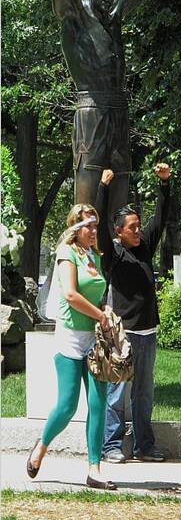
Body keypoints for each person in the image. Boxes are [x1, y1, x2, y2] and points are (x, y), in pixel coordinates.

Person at [51, 0, 181, 220]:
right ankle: (81, 255)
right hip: (91, 109)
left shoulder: (115, 10)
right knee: (86, 198)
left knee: (122, 194)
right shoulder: (75, 13)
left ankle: (118, 262)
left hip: (119, 109)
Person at [27, 203, 117, 490]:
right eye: (89, 226)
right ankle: (41, 446)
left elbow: (97, 294)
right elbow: (70, 294)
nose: (94, 231)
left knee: (98, 403)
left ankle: (94, 469)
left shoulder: (95, 256)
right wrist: (101, 314)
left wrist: (107, 314)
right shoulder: (66, 253)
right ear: (75, 229)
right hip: (69, 338)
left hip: (93, 338)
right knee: (67, 405)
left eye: (95, 225)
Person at [95, 163, 170, 463]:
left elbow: (161, 219)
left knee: (143, 394)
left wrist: (164, 185)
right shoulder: (113, 253)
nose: (138, 231)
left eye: (139, 226)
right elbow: (99, 227)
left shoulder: (144, 247)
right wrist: (103, 188)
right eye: (132, 228)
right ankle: (111, 446)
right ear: (119, 231)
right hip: (122, 335)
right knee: (116, 394)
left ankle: (144, 445)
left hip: (148, 333)